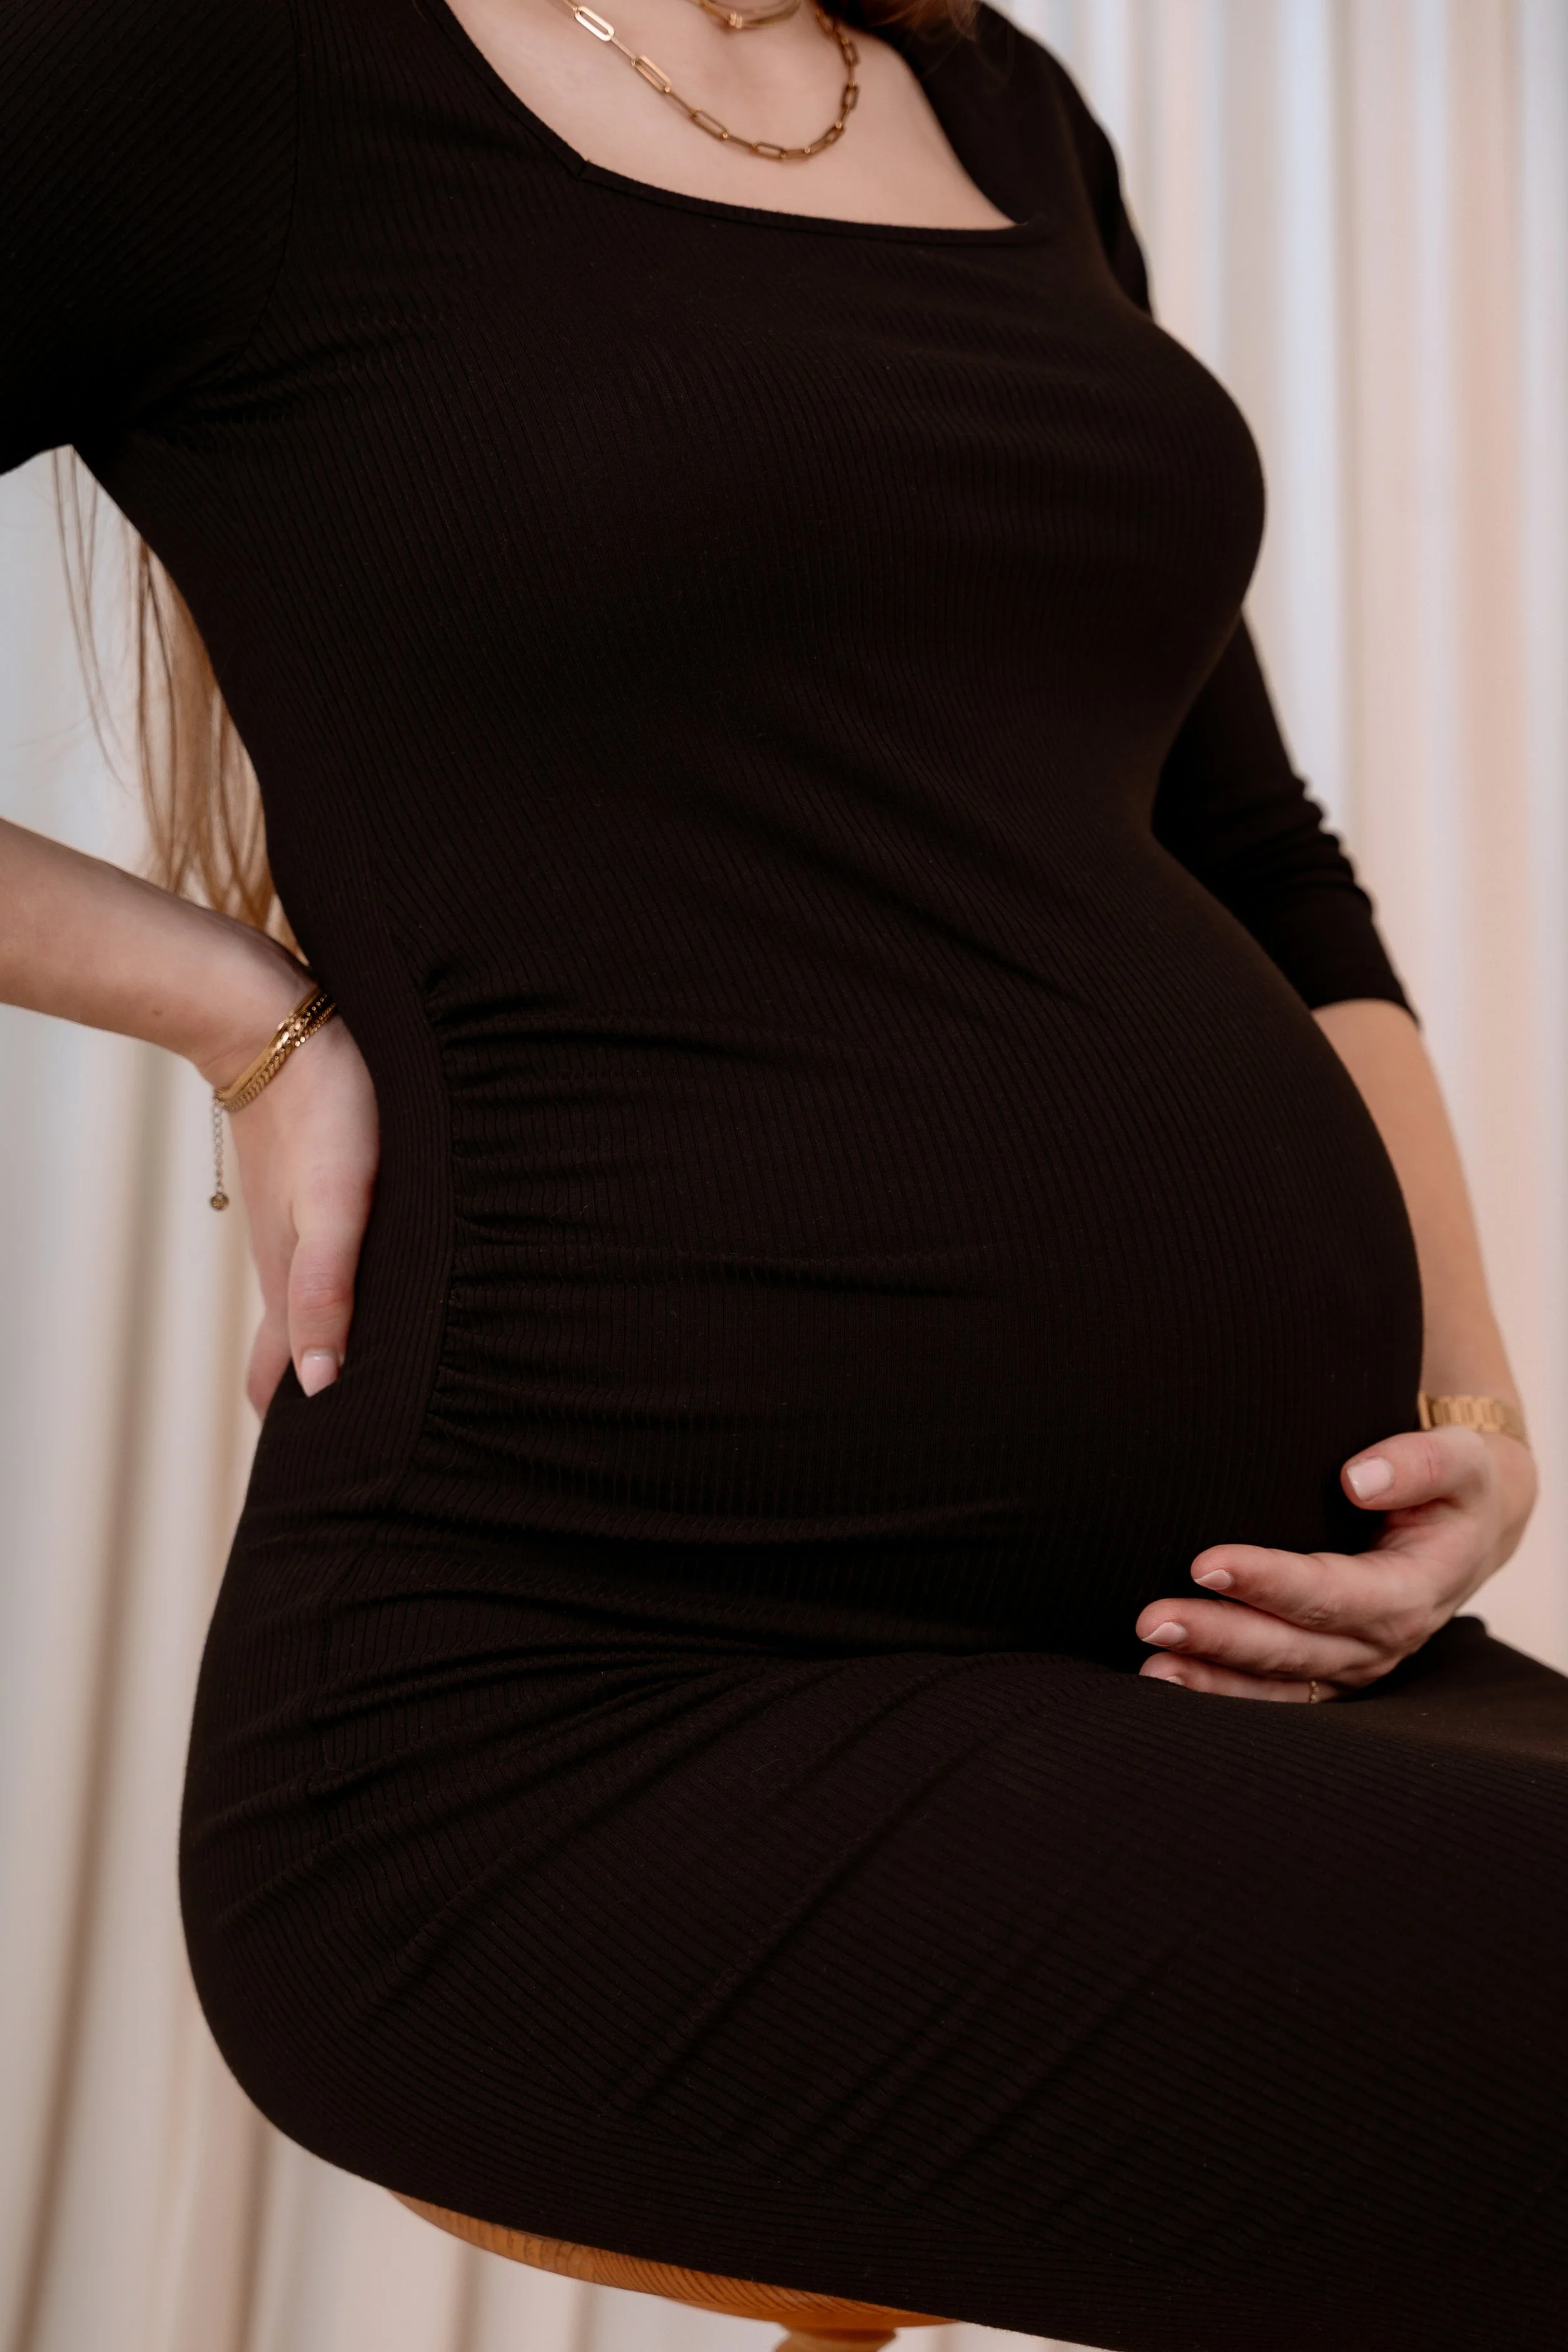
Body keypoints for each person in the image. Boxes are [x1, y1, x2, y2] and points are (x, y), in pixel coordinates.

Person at [3, 1, 1564, 2346]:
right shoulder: (214, 65)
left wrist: (1463, 1407)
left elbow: (1249, 847)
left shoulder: (994, 98)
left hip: (1217, 1670)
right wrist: (248, 1011)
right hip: (590, 1720)